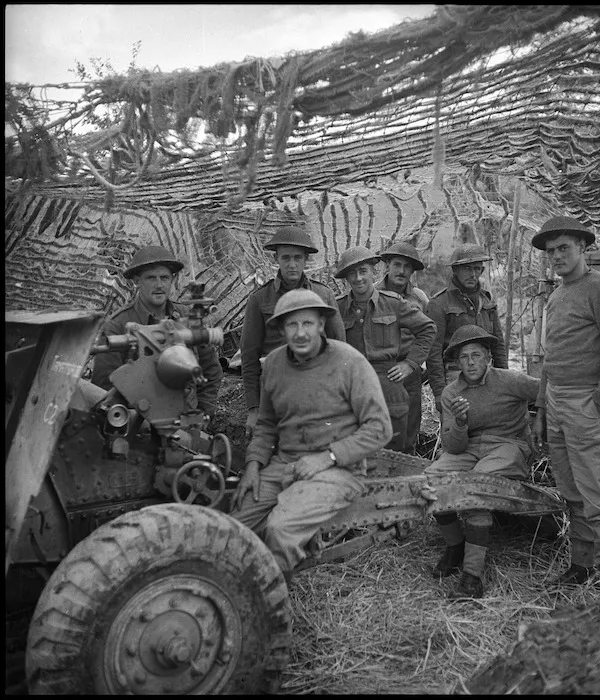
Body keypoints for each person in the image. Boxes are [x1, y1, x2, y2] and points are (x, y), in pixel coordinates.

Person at [229, 289, 392, 582]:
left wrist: (328, 457)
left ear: (321, 325)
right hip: (285, 464)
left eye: (307, 324)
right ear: (281, 330)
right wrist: (253, 466)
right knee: (232, 526)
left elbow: (380, 428)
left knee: (281, 529)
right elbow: (267, 423)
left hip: (339, 470)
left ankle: (271, 608)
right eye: (292, 325)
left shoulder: (349, 362)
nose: (300, 333)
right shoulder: (275, 365)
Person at [530, 216, 600, 595]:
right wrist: (542, 410)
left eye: (564, 248)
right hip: (558, 402)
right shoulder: (558, 294)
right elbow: (552, 357)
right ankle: (581, 566)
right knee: (572, 494)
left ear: (583, 248)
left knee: (598, 499)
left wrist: (596, 403)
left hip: (585, 403)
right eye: (551, 251)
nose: (557, 257)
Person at [424, 325, 540, 599]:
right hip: (470, 448)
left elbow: (546, 390)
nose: (471, 362)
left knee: (474, 487)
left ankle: (472, 577)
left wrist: (541, 419)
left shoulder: (510, 380)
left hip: (507, 446)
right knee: (432, 480)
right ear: (457, 362)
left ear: (488, 357)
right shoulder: (452, 393)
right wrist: (461, 423)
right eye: (464, 357)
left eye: (476, 355)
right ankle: (456, 547)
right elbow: (453, 446)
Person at [91, 245, 223, 418]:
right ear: (137, 281)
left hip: (187, 423)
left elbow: (211, 369)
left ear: (172, 280)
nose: (159, 285)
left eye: (164, 278)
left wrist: (204, 412)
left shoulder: (187, 319)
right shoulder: (118, 326)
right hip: (139, 429)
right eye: (151, 278)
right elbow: (104, 387)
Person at [240, 226, 346, 438]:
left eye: (297, 258)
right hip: (276, 391)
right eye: (285, 257)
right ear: (276, 259)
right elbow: (249, 355)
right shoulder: (260, 299)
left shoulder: (323, 295)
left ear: (306, 259)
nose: (291, 264)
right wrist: (253, 408)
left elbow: (339, 349)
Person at [335, 246, 436, 452]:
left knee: (398, 446)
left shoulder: (393, 303)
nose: (358, 278)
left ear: (373, 271)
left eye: (363, 271)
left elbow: (428, 328)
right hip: (353, 384)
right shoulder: (337, 308)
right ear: (345, 278)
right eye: (352, 274)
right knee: (355, 445)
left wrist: (410, 364)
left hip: (389, 382)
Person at [425, 243, 508, 415]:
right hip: (456, 379)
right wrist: (440, 393)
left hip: (487, 377)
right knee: (456, 432)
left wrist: (503, 381)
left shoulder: (486, 301)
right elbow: (433, 353)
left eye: (477, 269)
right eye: (467, 268)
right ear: (455, 270)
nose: (473, 274)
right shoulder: (439, 304)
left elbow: (498, 345)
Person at [376, 241, 430, 453]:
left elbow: (428, 333)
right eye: (397, 264)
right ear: (387, 265)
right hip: (381, 370)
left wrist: (413, 363)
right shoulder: (372, 294)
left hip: (409, 372)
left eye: (407, 267)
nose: (401, 271)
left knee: (409, 425)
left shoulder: (419, 298)